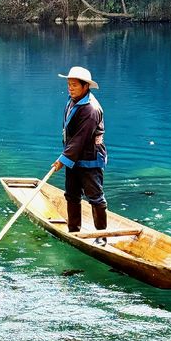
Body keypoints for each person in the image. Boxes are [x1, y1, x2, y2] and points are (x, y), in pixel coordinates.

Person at [51, 66, 108, 244]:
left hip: (90, 160)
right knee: (72, 194)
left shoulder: (91, 109)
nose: (70, 88)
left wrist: (62, 160)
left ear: (85, 87)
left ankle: (102, 236)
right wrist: (66, 158)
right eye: (69, 84)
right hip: (73, 158)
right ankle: (73, 231)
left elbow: (80, 139)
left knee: (95, 196)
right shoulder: (73, 101)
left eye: (74, 85)